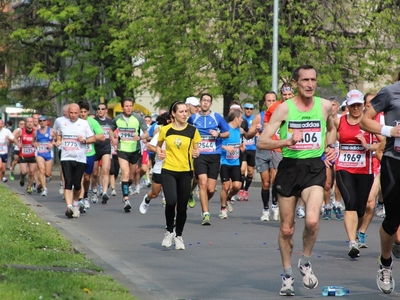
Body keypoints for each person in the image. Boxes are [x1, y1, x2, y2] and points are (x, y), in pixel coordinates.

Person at [257, 65, 336, 296]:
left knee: (312, 221)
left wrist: (331, 146)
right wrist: (287, 142)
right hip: (289, 168)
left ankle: (306, 261)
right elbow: (262, 142)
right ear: (295, 83)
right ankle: (287, 274)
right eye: (305, 81)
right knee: (286, 229)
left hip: (314, 167)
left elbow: (332, 129)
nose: (310, 84)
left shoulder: (324, 106)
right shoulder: (283, 109)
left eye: (313, 80)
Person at [359, 74, 400, 294]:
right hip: (395, 161)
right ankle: (385, 263)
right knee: (393, 219)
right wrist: (389, 131)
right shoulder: (390, 91)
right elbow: (365, 120)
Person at [334, 90, 376, 258]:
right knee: (350, 202)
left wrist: (367, 145)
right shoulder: (340, 121)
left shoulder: (369, 122)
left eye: (359, 104)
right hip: (344, 168)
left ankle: (356, 233)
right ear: (348, 106)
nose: (356, 108)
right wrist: (330, 146)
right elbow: (329, 136)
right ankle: (352, 242)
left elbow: (382, 144)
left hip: (365, 170)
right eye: (353, 105)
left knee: (361, 208)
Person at [158, 101, 201, 250]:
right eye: (181, 112)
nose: (184, 114)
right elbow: (158, 146)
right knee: (171, 202)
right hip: (169, 169)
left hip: (185, 171)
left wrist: (197, 153)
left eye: (186, 112)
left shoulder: (192, 131)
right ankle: (169, 231)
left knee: (182, 207)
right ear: (173, 114)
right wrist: (159, 152)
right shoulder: (165, 130)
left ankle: (179, 235)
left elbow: (197, 149)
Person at [188, 93, 230, 225]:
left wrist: (218, 134)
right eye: (203, 100)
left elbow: (227, 133)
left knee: (211, 189)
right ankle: (206, 213)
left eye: (208, 101)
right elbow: (187, 134)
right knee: (203, 183)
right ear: (200, 102)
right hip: (200, 155)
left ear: (211, 104)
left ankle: (202, 200)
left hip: (214, 155)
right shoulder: (193, 118)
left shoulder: (217, 117)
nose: (205, 103)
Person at [55, 103, 96, 218]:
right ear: (67, 112)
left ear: (79, 113)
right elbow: (58, 135)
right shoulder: (62, 122)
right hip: (66, 156)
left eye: (75, 113)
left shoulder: (84, 124)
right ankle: (69, 207)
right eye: (71, 113)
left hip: (80, 158)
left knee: (77, 184)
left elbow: (93, 138)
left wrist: (84, 140)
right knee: (68, 181)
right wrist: (58, 141)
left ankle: (76, 204)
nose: (73, 115)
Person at [110, 97, 148, 212]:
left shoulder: (138, 118)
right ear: (122, 107)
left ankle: (127, 187)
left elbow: (146, 133)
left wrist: (140, 137)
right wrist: (114, 139)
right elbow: (111, 130)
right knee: (125, 173)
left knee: (131, 176)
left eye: (130, 106)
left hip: (134, 150)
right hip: (122, 149)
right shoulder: (117, 119)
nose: (128, 108)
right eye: (126, 106)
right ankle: (126, 199)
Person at [246, 91, 278, 221]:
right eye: (268, 101)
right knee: (265, 182)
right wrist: (255, 130)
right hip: (262, 151)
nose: (271, 103)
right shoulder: (260, 116)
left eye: (273, 100)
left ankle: (275, 206)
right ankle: (265, 209)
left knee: (276, 181)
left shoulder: (281, 116)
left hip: (276, 150)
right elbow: (248, 135)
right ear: (264, 102)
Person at [139, 112, 171, 214]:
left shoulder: (182, 132)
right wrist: (159, 151)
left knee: (172, 197)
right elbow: (150, 146)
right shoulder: (162, 132)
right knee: (155, 193)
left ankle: (171, 221)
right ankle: (147, 198)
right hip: (160, 167)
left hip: (174, 168)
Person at [219, 109, 244, 219]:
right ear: (236, 118)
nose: (242, 120)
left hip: (235, 162)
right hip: (224, 162)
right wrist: (225, 147)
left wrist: (241, 147)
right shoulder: (225, 129)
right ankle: (223, 209)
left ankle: (229, 198)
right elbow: (215, 145)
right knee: (226, 186)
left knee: (237, 186)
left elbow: (238, 144)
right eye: (240, 118)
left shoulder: (239, 130)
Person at [92, 103, 113, 203]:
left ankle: (104, 192)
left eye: (102, 109)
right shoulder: (93, 121)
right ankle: (95, 190)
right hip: (95, 148)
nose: (100, 110)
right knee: (95, 173)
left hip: (106, 148)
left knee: (105, 170)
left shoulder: (110, 122)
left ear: (106, 110)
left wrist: (115, 139)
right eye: (98, 109)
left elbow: (113, 134)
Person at [14, 117, 37, 193]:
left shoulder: (36, 132)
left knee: (31, 173)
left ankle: (29, 187)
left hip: (32, 154)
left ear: (33, 123)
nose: (30, 123)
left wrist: (37, 144)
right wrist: (17, 143)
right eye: (28, 122)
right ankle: (22, 177)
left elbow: (41, 140)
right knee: (24, 172)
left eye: (31, 121)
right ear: (26, 123)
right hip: (23, 154)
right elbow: (14, 137)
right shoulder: (21, 131)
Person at [33, 115, 55, 196]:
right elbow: (33, 142)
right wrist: (34, 143)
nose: (42, 122)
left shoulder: (52, 131)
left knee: (47, 174)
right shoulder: (36, 132)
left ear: (46, 122)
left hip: (48, 153)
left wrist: (52, 144)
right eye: (40, 121)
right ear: (39, 122)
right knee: (41, 170)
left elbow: (58, 140)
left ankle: (40, 185)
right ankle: (45, 189)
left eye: (44, 120)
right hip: (39, 153)